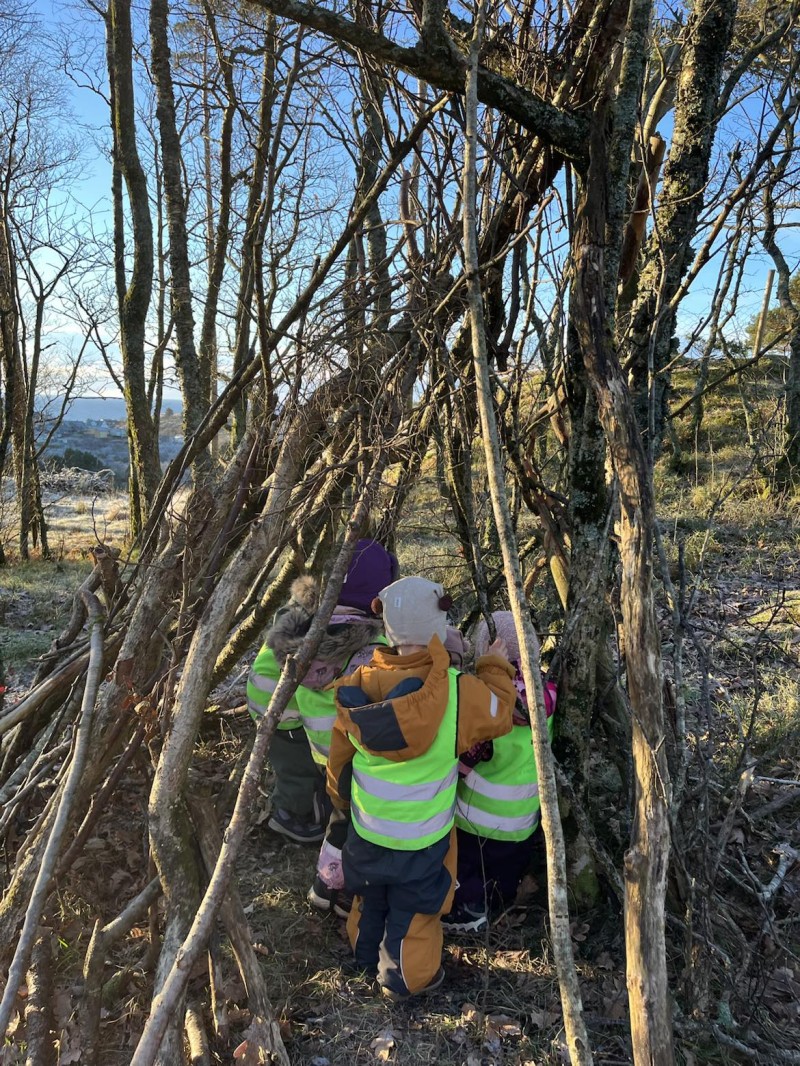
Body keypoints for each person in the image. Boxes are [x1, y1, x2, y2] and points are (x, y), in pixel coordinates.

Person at [326, 576, 517, 1000]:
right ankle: (406, 979)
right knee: (415, 913)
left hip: (367, 830)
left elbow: (339, 763)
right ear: (439, 625)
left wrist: (343, 806)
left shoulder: (357, 686)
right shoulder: (457, 692)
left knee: (369, 898)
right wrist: (493, 665)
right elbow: (501, 713)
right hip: (423, 841)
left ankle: (364, 956)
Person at [246, 539, 398, 844]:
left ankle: (292, 807)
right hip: (315, 726)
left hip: (268, 709)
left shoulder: (298, 619)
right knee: (315, 770)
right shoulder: (366, 648)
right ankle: (305, 815)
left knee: (290, 762)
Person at [445, 610, 556, 934]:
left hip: (474, 815)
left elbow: (470, 755)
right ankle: (499, 901)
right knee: (505, 868)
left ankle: (470, 911)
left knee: (468, 867)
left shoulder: (489, 700)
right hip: (521, 818)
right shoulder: (547, 695)